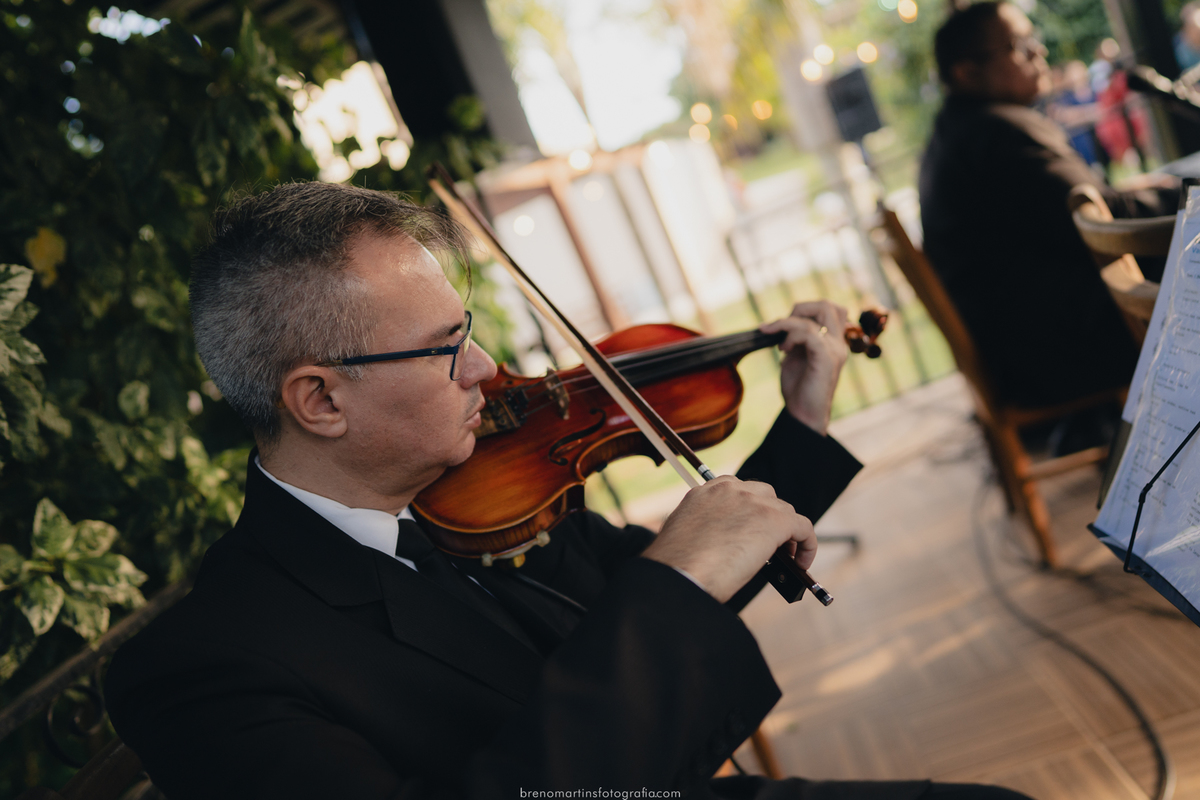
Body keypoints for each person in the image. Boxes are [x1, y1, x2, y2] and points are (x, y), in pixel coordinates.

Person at [104, 182, 1030, 800]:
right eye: (441, 348)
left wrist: (804, 422)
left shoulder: (464, 497)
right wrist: (676, 578)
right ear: (319, 400)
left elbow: (671, 587)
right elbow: (663, 603)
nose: (487, 365)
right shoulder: (206, 670)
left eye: (465, 329)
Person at [919, 2, 1170, 410]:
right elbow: (1101, 220)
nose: (1040, 52)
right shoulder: (995, 132)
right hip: (1056, 355)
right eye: (1020, 45)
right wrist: (1187, 191)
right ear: (966, 71)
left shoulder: (959, 132)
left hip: (1025, 348)